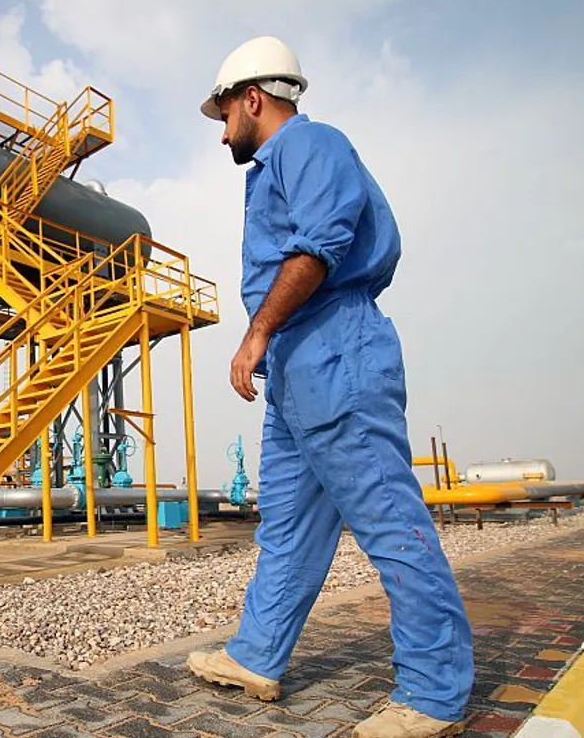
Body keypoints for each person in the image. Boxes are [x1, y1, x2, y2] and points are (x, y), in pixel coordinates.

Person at [185, 37, 474, 738]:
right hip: (296, 367)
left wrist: (256, 333)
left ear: (253, 98)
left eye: (225, 115)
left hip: (336, 351)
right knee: (287, 528)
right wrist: (271, 343)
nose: (222, 132)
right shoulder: (274, 167)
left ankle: (435, 693)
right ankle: (256, 655)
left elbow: (319, 246)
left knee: (388, 519)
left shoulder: (312, 145)